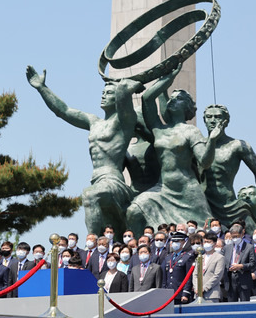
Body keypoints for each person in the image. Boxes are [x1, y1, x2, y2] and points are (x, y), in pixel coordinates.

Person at [26, 65, 145, 237]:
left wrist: (126, 87)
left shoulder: (123, 123)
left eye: (109, 93)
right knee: (104, 215)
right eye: (103, 93)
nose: (104, 96)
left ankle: (92, 245)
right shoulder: (93, 122)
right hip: (97, 180)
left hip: (113, 181)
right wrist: (42, 88)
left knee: (90, 196)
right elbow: (64, 111)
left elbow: (124, 101)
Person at [126, 64, 221, 231]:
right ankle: (138, 250)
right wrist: (168, 78)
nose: (172, 100)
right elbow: (147, 98)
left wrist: (212, 140)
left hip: (187, 191)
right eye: (171, 97)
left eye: (178, 98)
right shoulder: (158, 129)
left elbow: (205, 162)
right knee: (134, 211)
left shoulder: (191, 131)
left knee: (202, 231)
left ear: (187, 107)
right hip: (162, 189)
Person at [200, 104, 256, 231]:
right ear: (204, 120)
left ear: (225, 121)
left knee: (255, 235)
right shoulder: (197, 146)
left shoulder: (237, 145)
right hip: (204, 204)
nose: (213, 120)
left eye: (217, 117)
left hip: (230, 206)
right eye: (209, 117)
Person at [223, 224, 255, 302]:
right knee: (231, 305)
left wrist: (241, 266)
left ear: (242, 234)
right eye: (233, 236)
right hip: (230, 280)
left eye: (236, 236)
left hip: (243, 280)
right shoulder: (226, 248)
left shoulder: (249, 247)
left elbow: (253, 263)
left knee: (245, 305)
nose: (235, 238)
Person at [162, 232, 196, 303]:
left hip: (180, 293)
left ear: (183, 242)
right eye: (173, 241)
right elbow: (164, 278)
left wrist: (185, 293)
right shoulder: (168, 257)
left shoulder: (188, 256)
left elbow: (188, 277)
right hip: (169, 293)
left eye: (177, 241)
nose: (175, 243)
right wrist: (164, 291)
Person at [193, 232, 225, 303]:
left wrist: (204, 288)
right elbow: (195, 274)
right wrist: (196, 288)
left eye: (209, 242)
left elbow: (217, 276)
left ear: (214, 243)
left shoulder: (219, 258)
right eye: (205, 242)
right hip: (197, 294)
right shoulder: (200, 256)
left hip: (211, 294)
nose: (206, 244)